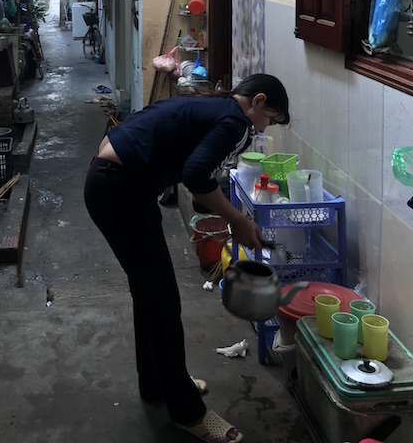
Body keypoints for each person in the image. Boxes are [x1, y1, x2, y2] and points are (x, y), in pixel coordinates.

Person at [84, 73, 290, 443]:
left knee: (150, 292)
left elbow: (137, 132)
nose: (263, 128)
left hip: (112, 181)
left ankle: (161, 383)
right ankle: (188, 412)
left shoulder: (212, 104)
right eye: (269, 119)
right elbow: (197, 176)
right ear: (257, 101)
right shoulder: (238, 121)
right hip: (120, 190)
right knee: (162, 299)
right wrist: (238, 219)